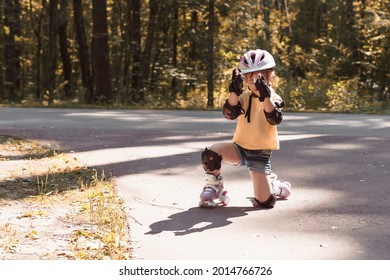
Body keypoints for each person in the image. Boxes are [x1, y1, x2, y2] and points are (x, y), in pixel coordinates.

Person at [199, 49, 291, 208]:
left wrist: (265, 97)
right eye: (250, 79)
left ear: (270, 76)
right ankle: (215, 185)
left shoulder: (274, 98)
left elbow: (274, 118)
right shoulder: (245, 97)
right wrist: (234, 91)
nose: (254, 83)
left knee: (264, 202)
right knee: (211, 153)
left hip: (260, 154)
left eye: (260, 78)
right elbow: (230, 114)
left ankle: (273, 185)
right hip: (239, 148)